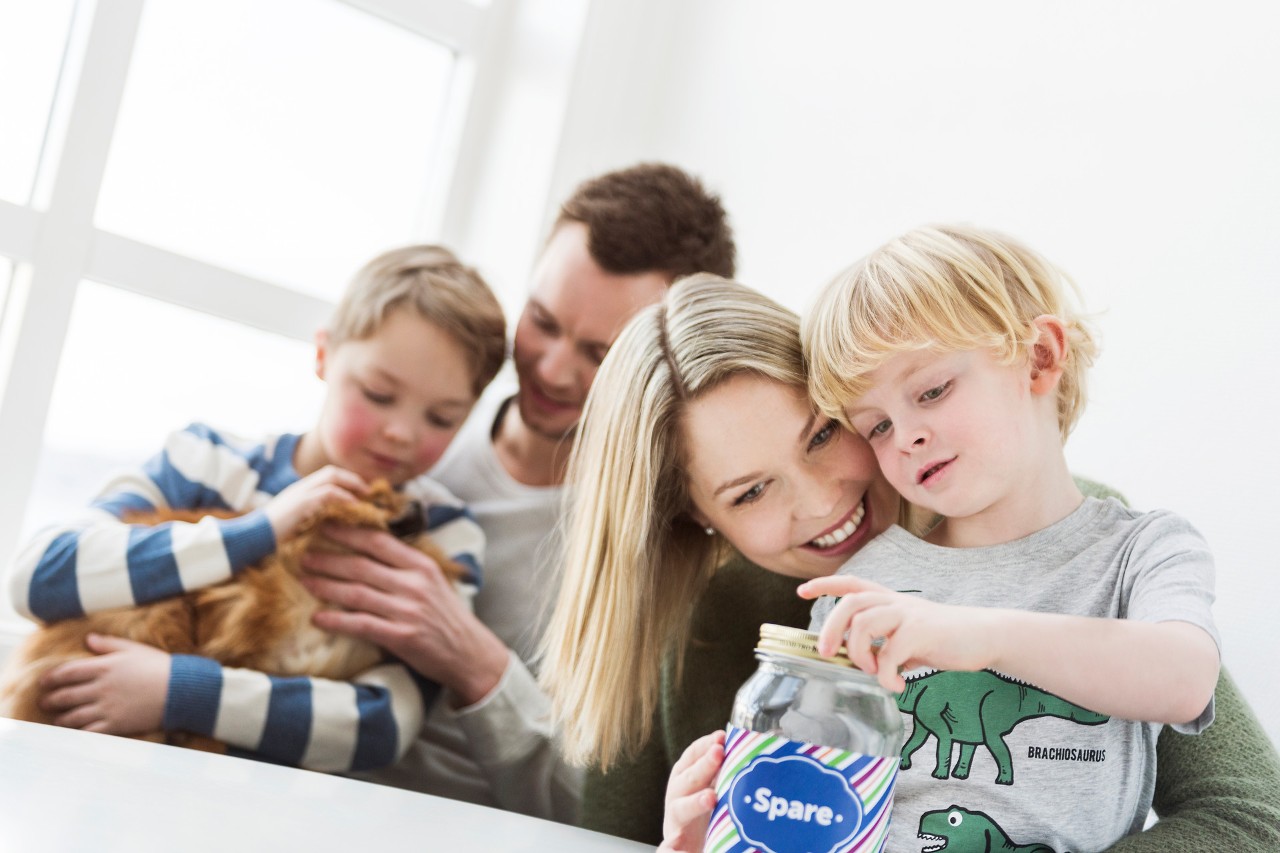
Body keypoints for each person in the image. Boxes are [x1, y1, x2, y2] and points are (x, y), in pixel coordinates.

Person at [539, 275, 1280, 850]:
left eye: (826, 433)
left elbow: (1248, 814)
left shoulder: (1080, 537)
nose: (824, 500)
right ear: (697, 518)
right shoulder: (696, 616)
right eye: (753, 490)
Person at [298, 162, 737, 820]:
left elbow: (608, 814)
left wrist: (478, 667)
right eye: (542, 321)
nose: (554, 369)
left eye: (600, 352)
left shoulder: (666, 552)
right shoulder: (414, 442)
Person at [7, 245, 506, 773]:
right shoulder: (206, 461)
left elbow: (379, 728)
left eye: (443, 417)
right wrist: (262, 529)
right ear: (324, 355)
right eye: (379, 394)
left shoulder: (444, 534)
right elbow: (38, 576)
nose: (403, 433)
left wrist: (180, 691)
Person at [799, 224, 1217, 849]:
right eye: (878, 425)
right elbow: (814, 789)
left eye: (932, 390)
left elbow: (1184, 681)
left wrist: (977, 634)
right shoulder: (864, 584)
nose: (907, 434)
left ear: (1041, 356)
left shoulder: (1147, 550)